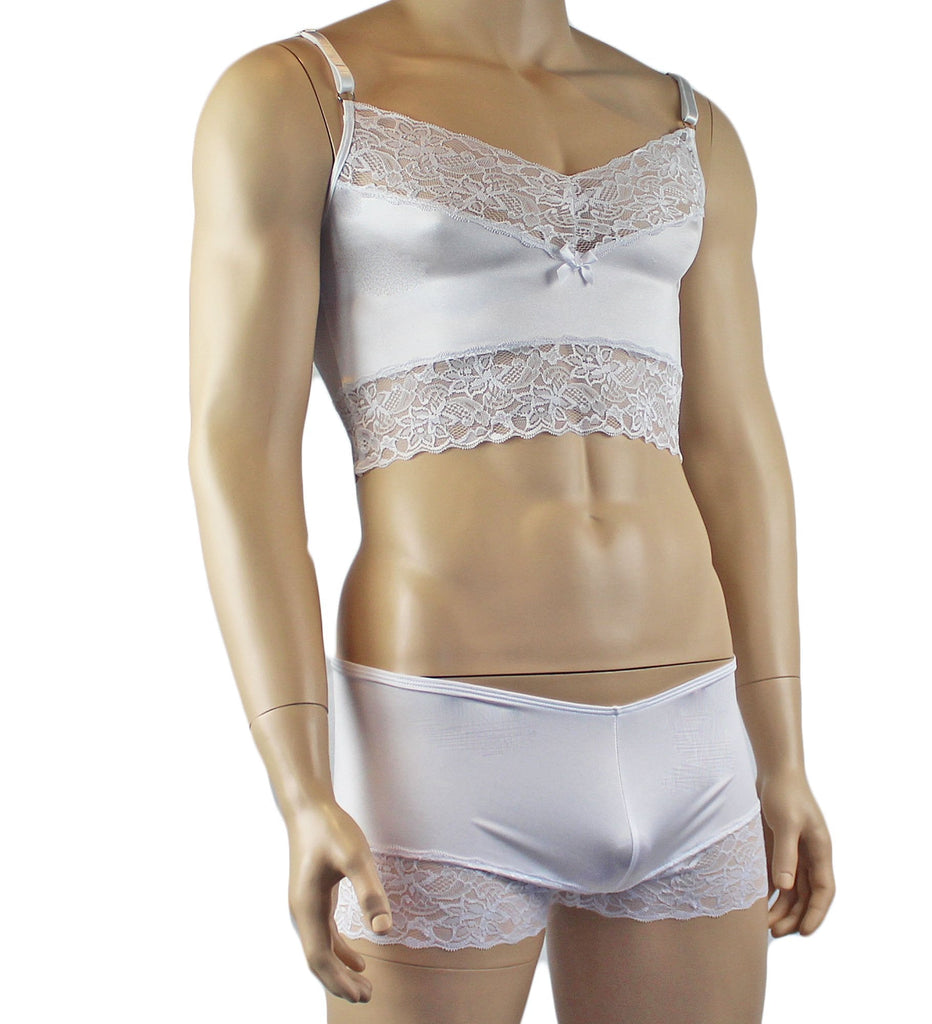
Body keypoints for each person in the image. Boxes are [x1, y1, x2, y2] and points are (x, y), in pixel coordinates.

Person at [188, 2, 836, 1021]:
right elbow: (241, 450)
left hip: (695, 738)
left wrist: (784, 751)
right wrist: (299, 786)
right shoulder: (298, 97)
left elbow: (736, 446)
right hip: (441, 739)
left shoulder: (688, 125)